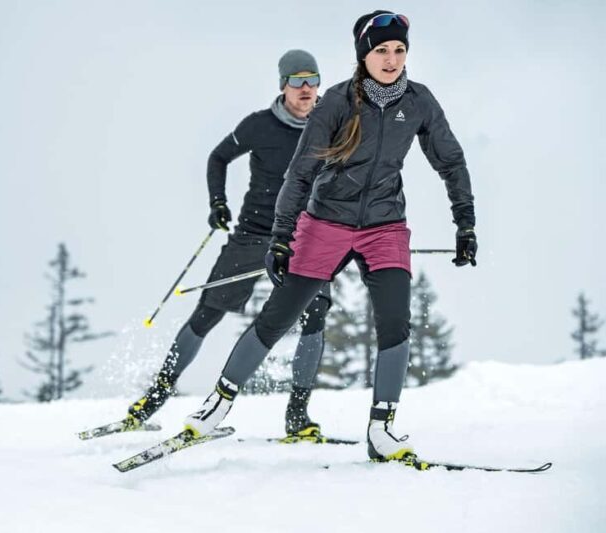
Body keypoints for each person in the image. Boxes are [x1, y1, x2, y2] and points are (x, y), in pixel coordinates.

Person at [182, 10, 477, 462]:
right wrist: (282, 236)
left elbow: (450, 161)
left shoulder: (418, 102)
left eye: (399, 50)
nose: (392, 58)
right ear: (364, 54)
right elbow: (300, 174)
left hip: (385, 226)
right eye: (381, 50)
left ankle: (382, 429)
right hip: (325, 224)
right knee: (280, 314)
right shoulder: (337, 103)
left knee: (396, 319)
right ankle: (217, 405)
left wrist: (465, 222)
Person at [126, 50, 333, 439]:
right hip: (254, 232)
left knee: (314, 316)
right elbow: (218, 157)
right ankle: (153, 398)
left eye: (312, 79)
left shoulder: (331, 124)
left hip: (305, 237)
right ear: (283, 85)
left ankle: (297, 417)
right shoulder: (259, 125)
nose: (305, 88)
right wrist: (217, 202)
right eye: (296, 80)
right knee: (208, 312)